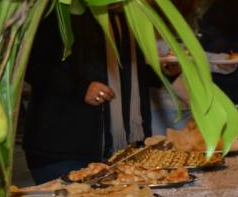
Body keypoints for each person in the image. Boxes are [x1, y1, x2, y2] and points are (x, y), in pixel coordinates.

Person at [24, 11, 160, 183]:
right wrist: (81, 88)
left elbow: (127, 74)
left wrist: (163, 73)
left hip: (119, 149)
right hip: (64, 147)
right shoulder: (60, 9)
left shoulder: (123, 18)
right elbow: (33, 66)